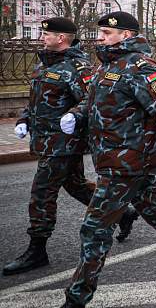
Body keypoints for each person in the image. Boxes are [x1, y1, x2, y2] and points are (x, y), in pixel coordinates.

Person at [33, 12, 156, 308]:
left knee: (93, 230)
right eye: (100, 32)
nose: (99, 38)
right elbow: (91, 103)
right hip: (116, 160)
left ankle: (75, 304)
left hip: (128, 163)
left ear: (126, 35)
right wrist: (76, 115)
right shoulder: (107, 65)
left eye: (105, 32)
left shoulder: (140, 67)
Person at [5, 17, 102, 276]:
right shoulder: (43, 63)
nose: (42, 36)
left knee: (42, 192)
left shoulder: (78, 66)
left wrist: (74, 115)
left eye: (46, 34)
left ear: (61, 38)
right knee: (76, 185)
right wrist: (24, 119)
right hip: (45, 139)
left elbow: (91, 100)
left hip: (63, 142)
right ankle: (119, 213)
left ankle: (37, 249)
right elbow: (36, 99)